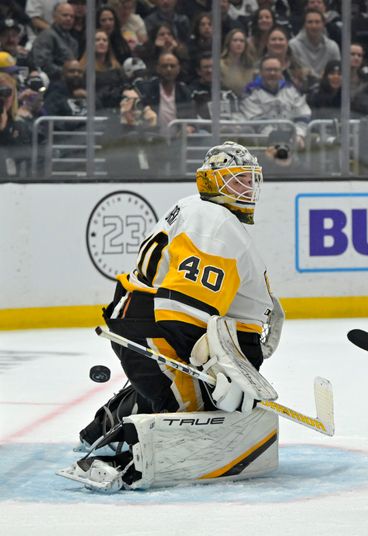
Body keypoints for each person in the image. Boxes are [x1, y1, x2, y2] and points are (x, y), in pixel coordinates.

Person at [59, 141, 285, 491]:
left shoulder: (201, 212)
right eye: (235, 180)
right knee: (195, 413)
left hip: (142, 319)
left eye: (249, 180)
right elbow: (182, 312)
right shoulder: (214, 222)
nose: (247, 188)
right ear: (210, 181)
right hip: (155, 326)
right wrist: (220, 370)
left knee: (192, 395)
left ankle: (103, 426)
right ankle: (111, 459)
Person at [288, 7, 341, 80]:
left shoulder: (332, 46)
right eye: (310, 22)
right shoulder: (293, 45)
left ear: (323, 24)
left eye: (317, 22)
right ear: (304, 25)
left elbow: (337, 73)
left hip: (326, 88)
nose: (314, 26)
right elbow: (294, 74)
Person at [30, 2, 79, 80]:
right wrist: (66, 72)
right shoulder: (46, 36)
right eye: (65, 15)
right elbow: (42, 64)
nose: (69, 19)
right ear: (54, 16)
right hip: (50, 83)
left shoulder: (73, 42)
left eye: (72, 17)